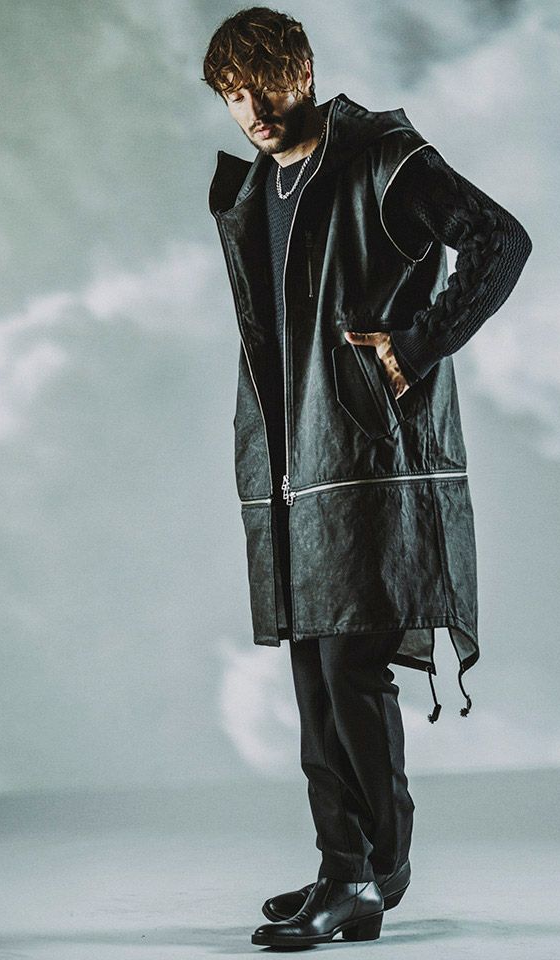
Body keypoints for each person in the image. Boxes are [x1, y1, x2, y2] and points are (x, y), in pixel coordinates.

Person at [202, 6, 532, 948]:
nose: (253, 109)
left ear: (303, 69)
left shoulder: (383, 157)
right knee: (315, 673)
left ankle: (366, 871)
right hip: (293, 462)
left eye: (266, 83)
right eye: (234, 95)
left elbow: (500, 239)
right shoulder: (255, 187)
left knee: (350, 665)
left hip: (372, 465)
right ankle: (350, 869)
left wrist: (416, 347)